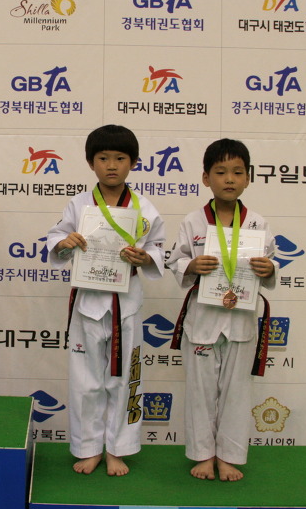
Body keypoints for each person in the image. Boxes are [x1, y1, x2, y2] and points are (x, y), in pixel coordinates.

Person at [46, 125, 166, 476]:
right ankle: (88, 447)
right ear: (90, 162)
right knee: (85, 381)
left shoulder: (144, 208)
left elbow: (158, 249)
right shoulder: (79, 204)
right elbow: (56, 238)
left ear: (133, 163)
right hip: (88, 300)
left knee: (125, 379)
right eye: (103, 158)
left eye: (119, 158)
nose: (111, 165)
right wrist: (64, 243)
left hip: (126, 303)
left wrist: (146, 258)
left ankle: (118, 448)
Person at [167, 139, 275, 482]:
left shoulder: (257, 223)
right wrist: (190, 265)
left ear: (248, 178)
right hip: (203, 318)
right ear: (206, 178)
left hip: (242, 319)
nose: (229, 179)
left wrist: (268, 269)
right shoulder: (193, 221)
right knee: (199, 391)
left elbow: (270, 265)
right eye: (221, 172)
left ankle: (229, 457)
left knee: (237, 392)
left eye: (237, 172)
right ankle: (202, 455)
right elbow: (176, 261)